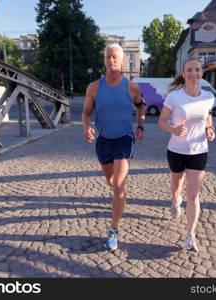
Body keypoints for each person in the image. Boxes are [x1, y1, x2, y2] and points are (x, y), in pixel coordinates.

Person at [82, 44, 145, 251]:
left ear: (122, 61)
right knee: (112, 182)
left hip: (124, 140)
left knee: (118, 184)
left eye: (115, 58)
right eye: (108, 57)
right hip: (103, 141)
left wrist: (140, 125)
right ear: (104, 60)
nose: (111, 61)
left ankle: (113, 230)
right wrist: (87, 127)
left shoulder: (131, 87)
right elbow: (86, 113)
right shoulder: (94, 87)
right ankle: (120, 197)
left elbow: (140, 105)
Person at [158, 57, 215, 252]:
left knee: (194, 195)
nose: (193, 74)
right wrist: (173, 129)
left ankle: (190, 236)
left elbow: (207, 115)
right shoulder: (175, 97)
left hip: (199, 151)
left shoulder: (208, 97)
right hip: (176, 150)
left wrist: (210, 128)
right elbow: (162, 121)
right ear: (184, 73)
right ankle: (175, 201)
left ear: (201, 73)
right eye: (189, 70)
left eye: (197, 70)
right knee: (176, 184)